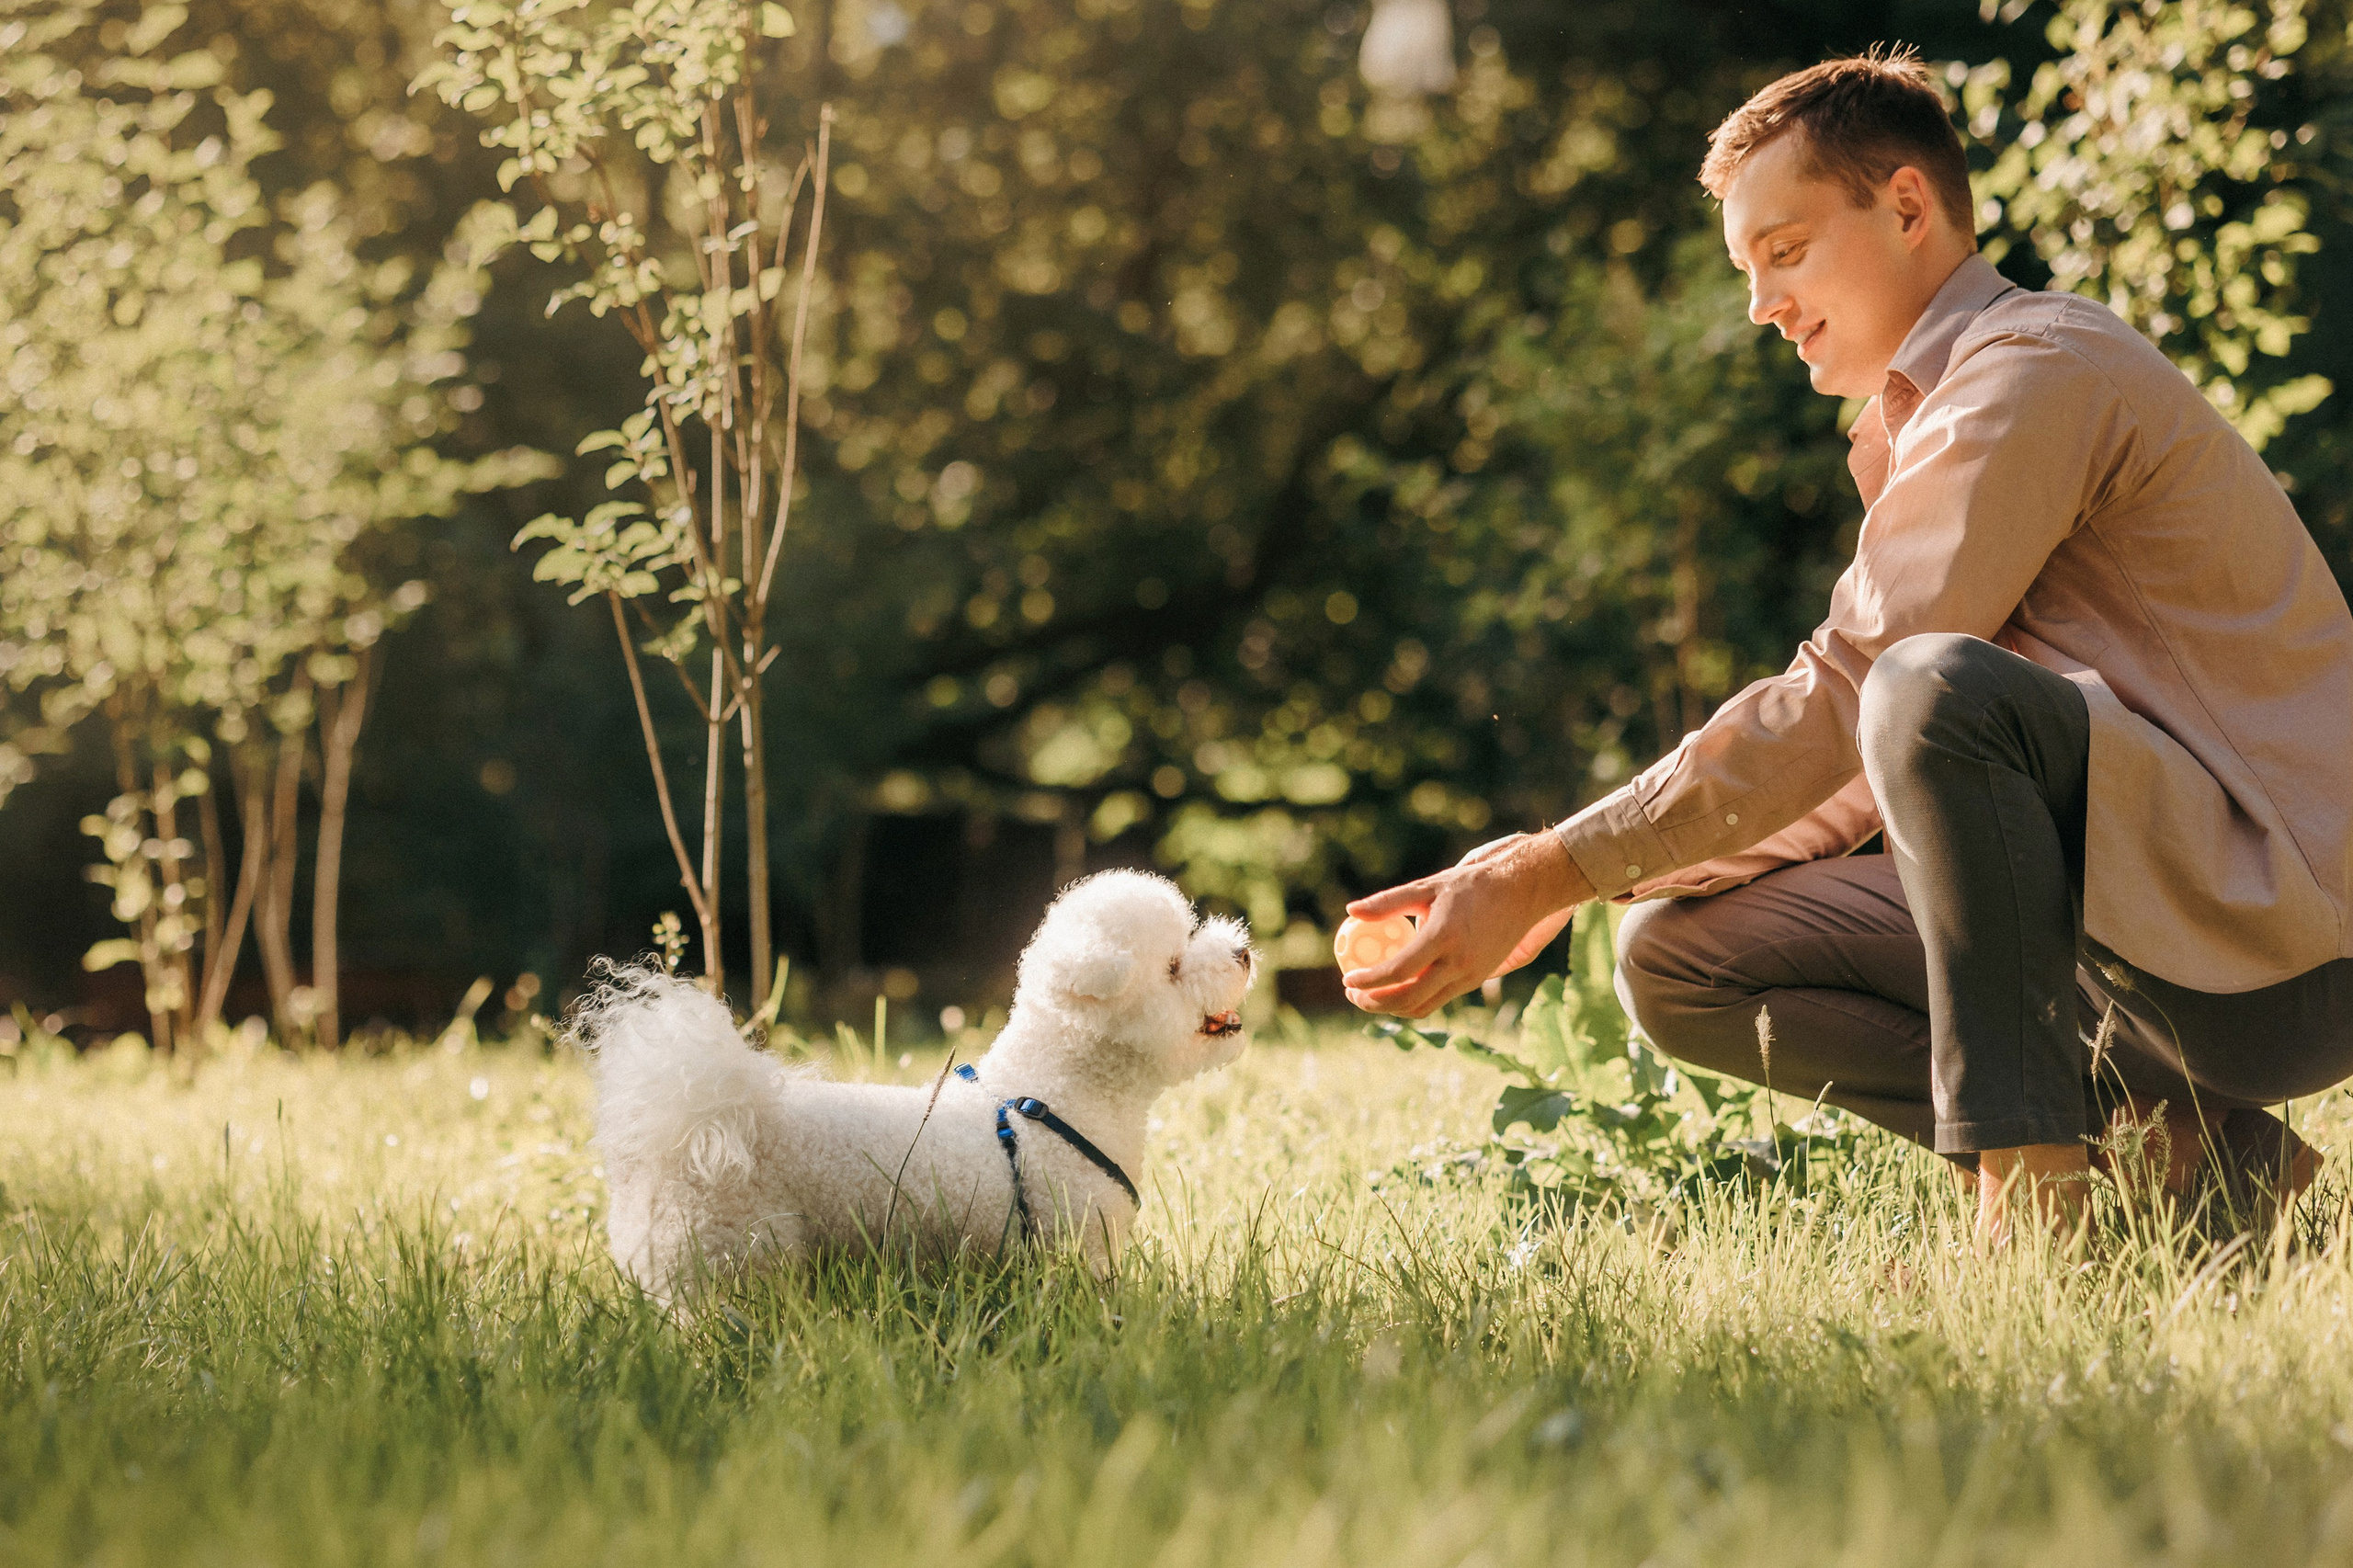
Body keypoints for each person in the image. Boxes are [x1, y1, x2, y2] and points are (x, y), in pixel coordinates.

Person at [1339, 49, 2353, 1243]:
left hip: (2283, 942)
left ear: (1910, 207)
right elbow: (1863, 756)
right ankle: (2214, 1172)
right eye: (1746, 269)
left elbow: (1873, 685)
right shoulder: (1921, 424)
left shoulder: (2033, 372)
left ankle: (2030, 1213)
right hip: (2149, 924)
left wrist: (1546, 867)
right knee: (1674, 953)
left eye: (1785, 250)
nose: (1761, 303)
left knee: (1931, 687)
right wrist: (1587, 872)